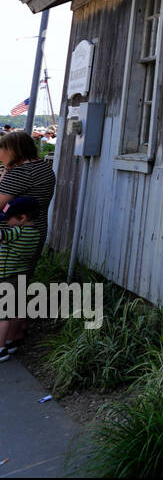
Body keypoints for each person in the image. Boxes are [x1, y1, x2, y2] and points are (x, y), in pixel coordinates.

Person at [0, 132, 55, 350]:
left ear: (13, 151)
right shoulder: (43, 168)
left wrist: (5, 172)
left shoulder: (19, 173)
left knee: (8, 286)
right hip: (35, 232)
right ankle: (17, 333)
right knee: (21, 282)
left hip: (11, 236)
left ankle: (8, 338)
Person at [0, 197, 42, 359]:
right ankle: (11, 341)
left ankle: (1, 348)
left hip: (6, 278)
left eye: (7, 219)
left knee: (2, 316)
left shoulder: (16, 232)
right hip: (21, 275)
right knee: (16, 311)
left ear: (21, 218)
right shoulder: (35, 233)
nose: (6, 223)